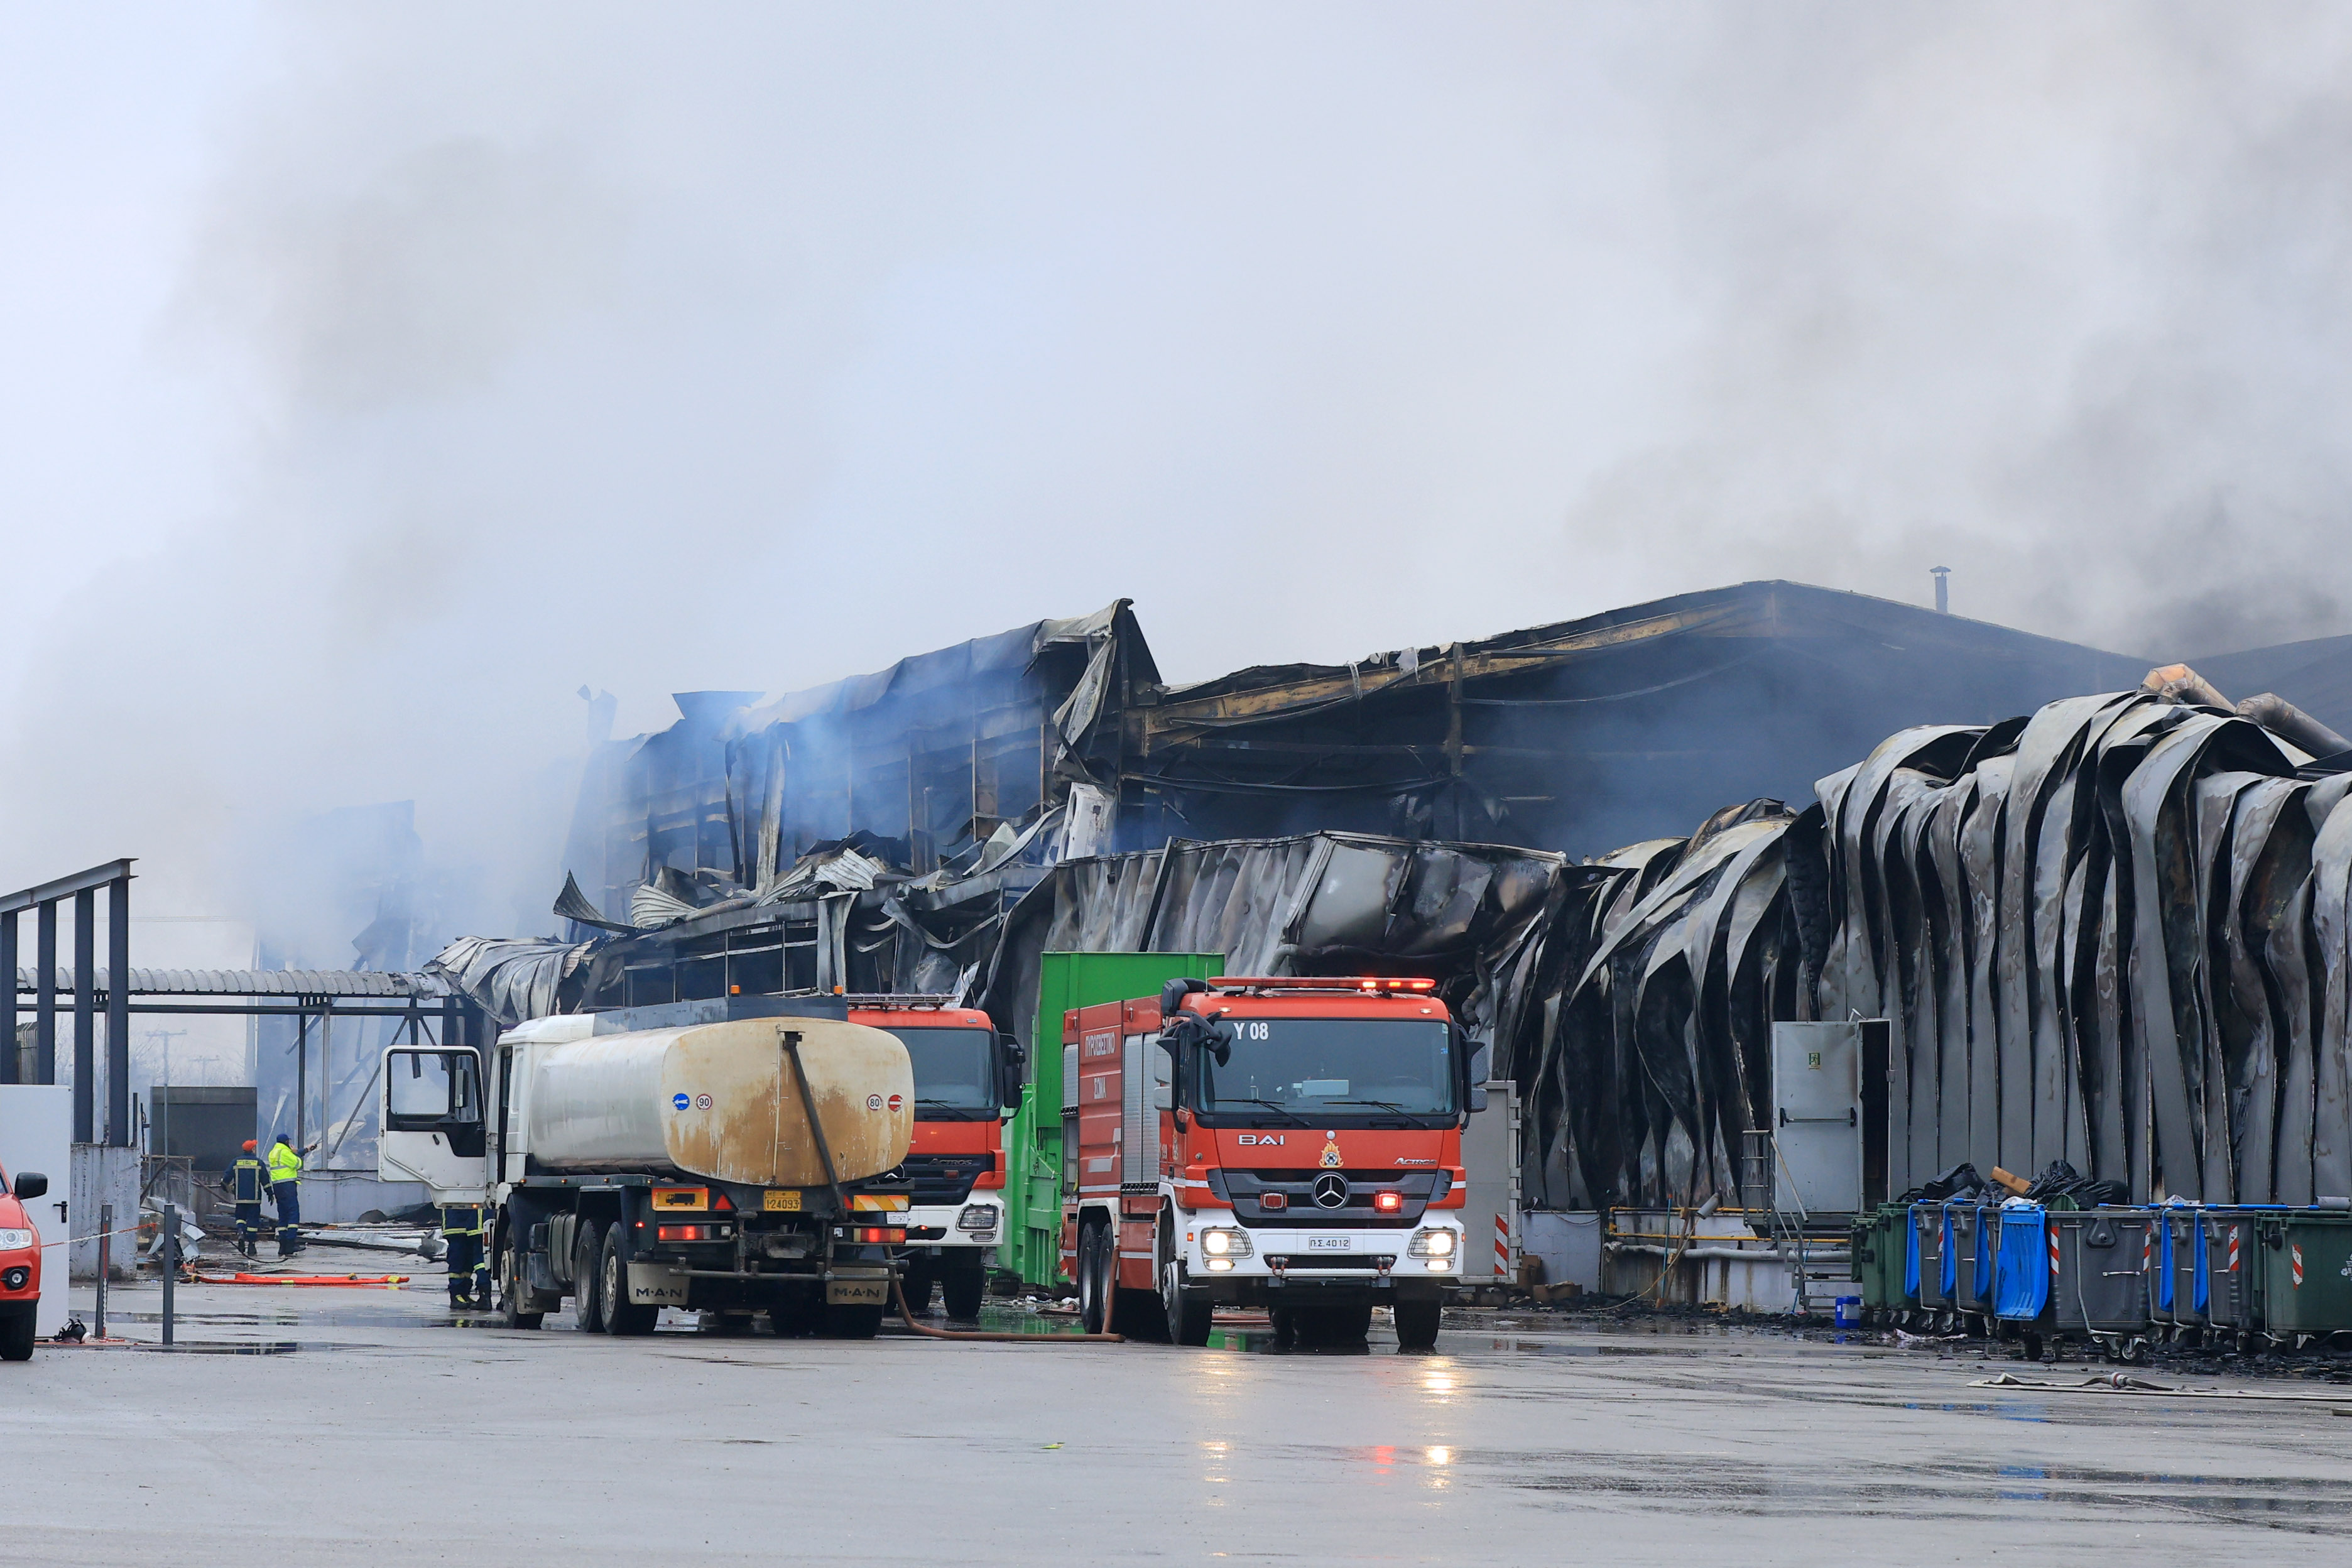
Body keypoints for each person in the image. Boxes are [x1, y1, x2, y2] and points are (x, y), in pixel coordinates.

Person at [218, 1140, 272, 1260]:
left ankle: (241, 1232)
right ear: (253, 1150)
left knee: (240, 1218)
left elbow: (226, 1179)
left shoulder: (236, 1161)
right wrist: (270, 1194)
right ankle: (251, 1245)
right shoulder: (259, 1162)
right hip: (254, 1199)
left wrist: (226, 1187)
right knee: (253, 1222)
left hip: (240, 1198)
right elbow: (265, 1181)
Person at [266, 1135, 315, 1257]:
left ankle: (283, 1246)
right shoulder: (284, 1152)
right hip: (288, 1186)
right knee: (293, 1214)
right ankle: (291, 1244)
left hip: (278, 1186)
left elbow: (291, 1157)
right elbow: (297, 1164)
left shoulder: (274, 1152)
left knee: (283, 1215)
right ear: (287, 1142)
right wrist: (296, 1154)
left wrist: (306, 1150)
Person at [440, 1204, 491, 1310]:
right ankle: (457, 1294)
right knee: (459, 1260)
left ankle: (464, 1294)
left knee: (468, 1261)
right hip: (458, 1223)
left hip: (469, 1223)